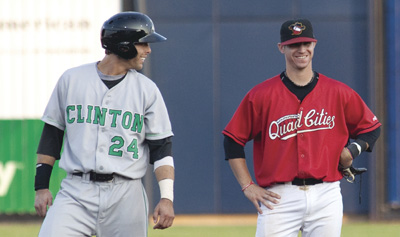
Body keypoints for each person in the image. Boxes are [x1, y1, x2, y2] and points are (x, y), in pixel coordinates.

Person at [222, 18, 381, 237]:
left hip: (326, 194)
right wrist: (247, 186)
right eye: (294, 44)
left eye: (306, 43)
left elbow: (371, 128)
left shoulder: (338, 92)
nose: (302, 49)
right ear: (282, 48)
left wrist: (351, 151)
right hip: (278, 196)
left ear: (314, 45)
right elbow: (232, 141)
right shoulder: (260, 95)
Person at [34, 11, 175, 236]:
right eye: (143, 44)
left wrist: (167, 198)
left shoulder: (147, 90)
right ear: (124, 45)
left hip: (126, 195)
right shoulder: (72, 79)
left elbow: (162, 149)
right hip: (76, 192)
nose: (148, 50)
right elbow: (52, 136)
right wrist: (41, 186)